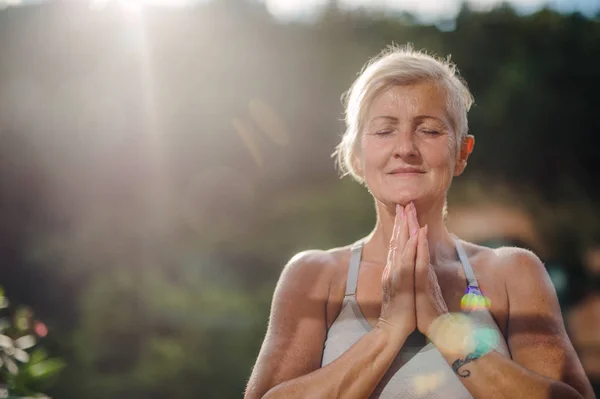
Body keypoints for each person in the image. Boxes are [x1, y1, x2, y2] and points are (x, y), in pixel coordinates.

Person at [244, 46, 594, 399]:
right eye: (384, 131)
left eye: (428, 131)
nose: (406, 148)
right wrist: (387, 330)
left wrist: (441, 324)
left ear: (461, 153)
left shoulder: (514, 272)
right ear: (356, 155)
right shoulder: (314, 275)